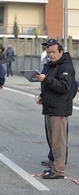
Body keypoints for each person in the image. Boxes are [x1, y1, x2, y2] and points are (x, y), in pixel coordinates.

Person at [34, 39, 75, 179]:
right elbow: (50, 86)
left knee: (59, 141)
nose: (50, 54)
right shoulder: (53, 65)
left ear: (61, 52)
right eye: (48, 52)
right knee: (53, 140)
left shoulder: (66, 67)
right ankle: (55, 165)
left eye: (53, 52)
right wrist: (42, 97)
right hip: (50, 107)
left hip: (59, 109)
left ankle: (58, 170)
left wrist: (46, 79)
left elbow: (64, 87)